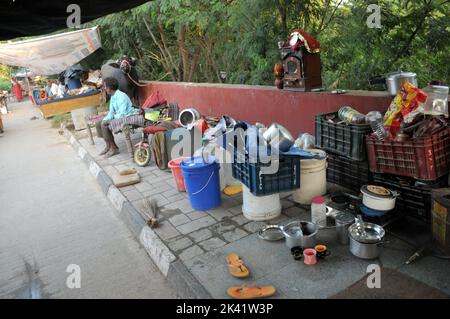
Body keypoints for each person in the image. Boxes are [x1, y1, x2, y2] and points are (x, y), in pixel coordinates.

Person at [95, 77, 139, 158]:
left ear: (110, 88)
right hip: (119, 115)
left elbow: (122, 113)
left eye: (105, 86)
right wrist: (107, 118)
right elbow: (111, 112)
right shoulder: (113, 96)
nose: (104, 88)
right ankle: (108, 145)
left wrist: (110, 119)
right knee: (98, 123)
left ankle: (114, 148)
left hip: (127, 115)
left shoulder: (122, 96)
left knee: (104, 124)